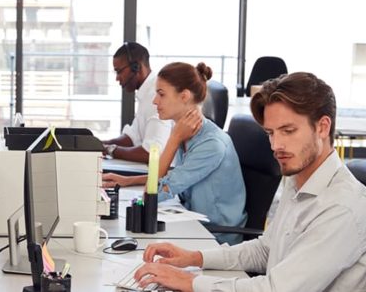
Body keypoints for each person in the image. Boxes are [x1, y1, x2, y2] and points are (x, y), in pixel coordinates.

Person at [133, 72, 366, 292]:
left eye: (288, 131)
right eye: (271, 133)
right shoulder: (298, 180)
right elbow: (266, 250)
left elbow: (277, 289)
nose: (276, 146)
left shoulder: (342, 207)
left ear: (322, 127)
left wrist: (191, 282)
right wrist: (194, 258)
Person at [103, 62, 246, 245]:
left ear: (184, 96)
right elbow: (173, 177)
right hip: (194, 224)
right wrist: (127, 180)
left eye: (161, 94)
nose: (155, 101)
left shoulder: (210, 144)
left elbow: (151, 197)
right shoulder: (190, 133)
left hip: (216, 237)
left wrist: (174, 139)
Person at [104, 42, 172, 162]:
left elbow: (150, 153)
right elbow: (133, 137)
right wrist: (100, 144)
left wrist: (111, 149)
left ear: (136, 67)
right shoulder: (146, 92)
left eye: (119, 71)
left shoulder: (155, 95)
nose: (117, 78)